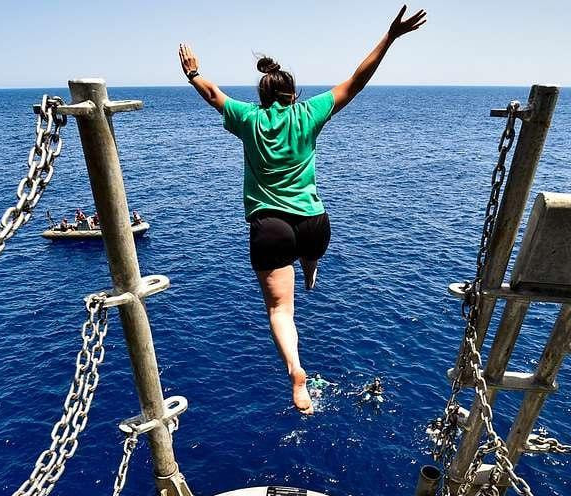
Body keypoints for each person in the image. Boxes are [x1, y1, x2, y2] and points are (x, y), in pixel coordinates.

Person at [178, 5, 427, 413]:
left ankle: (297, 372)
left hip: (271, 227)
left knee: (280, 310)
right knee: (310, 253)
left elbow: (212, 94)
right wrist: (390, 38)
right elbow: (357, 81)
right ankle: (310, 269)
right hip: (314, 223)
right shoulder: (308, 112)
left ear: (262, 97)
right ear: (293, 95)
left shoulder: (248, 118)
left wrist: (192, 73)